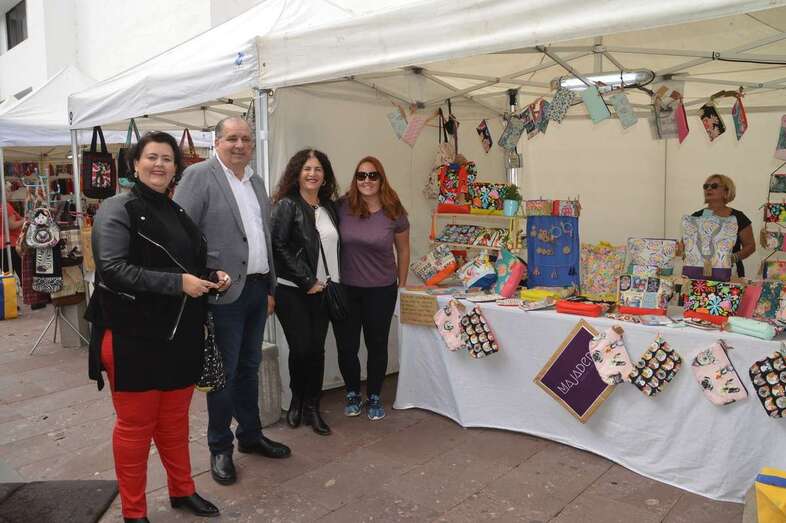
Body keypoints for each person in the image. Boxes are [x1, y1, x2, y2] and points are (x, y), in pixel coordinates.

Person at [86, 131, 223, 522]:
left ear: (176, 167)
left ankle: (182, 490)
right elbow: (112, 270)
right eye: (152, 157)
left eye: (167, 158)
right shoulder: (117, 208)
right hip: (133, 336)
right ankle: (134, 511)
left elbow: (187, 266)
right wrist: (178, 283)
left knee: (175, 423)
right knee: (134, 430)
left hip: (179, 334)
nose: (160, 164)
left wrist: (212, 275)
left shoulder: (176, 210)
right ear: (135, 163)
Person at [174, 117, 291, 486]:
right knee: (222, 375)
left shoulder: (256, 181)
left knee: (249, 367)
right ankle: (219, 447)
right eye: (232, 139)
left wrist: (270, 287)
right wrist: (207, 276)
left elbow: (263, 237)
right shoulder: (199, 176)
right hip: (222, 292)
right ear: (216, 142)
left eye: (245, 139)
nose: (239, 144)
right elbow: (182, 236)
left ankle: (251, 436)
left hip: (256, 289)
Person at [333, 156, 410, 420]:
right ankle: (353, 392)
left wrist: (402, 284)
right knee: (346, 346)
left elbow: (403, 249)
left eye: (372, 175)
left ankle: (374, 395)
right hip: (346, 289)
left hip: (381, 289)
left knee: (377, 345)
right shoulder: (342, 207)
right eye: (361, 175)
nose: (367, 180)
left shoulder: (394, 210)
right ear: (355, 179)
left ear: (381, 178)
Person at [271, 149, 340, 436]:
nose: (313, 174)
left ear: (325, 176)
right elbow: (278, 245)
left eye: (318, 169)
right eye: (307, 168)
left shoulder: (328, 207)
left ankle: (312, 406)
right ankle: (297, 400)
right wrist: (306, 279)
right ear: (297, 173)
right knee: (301, 348)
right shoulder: (287, 205)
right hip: (293, 291)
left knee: (317, 349)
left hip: (325, 289)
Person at [691, 174, 755, 277]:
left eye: (714, 186)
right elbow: (686, 244)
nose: (709, 189)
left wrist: (732, 258)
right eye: (706, 186)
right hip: (699, 273)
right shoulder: (696, 217)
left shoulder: (738, 217)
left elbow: (750, 246)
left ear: (726, 191)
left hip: (730, 273)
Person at [0, 196, 24, 277]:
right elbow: (11, 225)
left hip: (2, 245)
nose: (11, 193)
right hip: (11, 243)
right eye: (9, 190)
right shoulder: (6, 206)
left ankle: (10, 289)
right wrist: (25, 220)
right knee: (21, 273)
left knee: (6, 276)